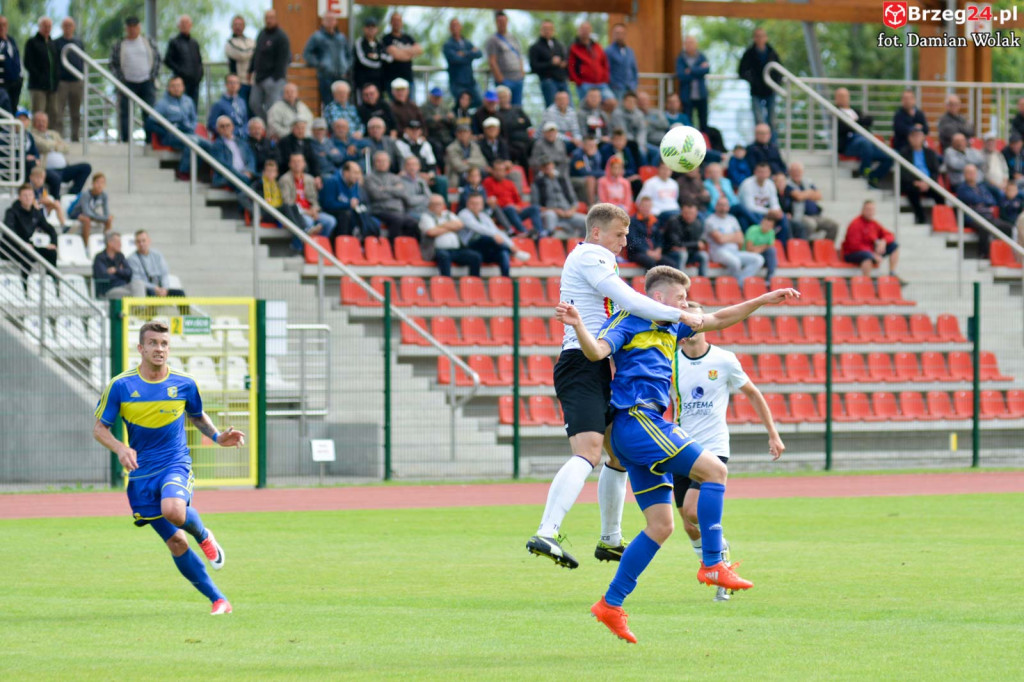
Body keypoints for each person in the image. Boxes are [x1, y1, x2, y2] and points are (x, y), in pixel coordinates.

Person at [559, 269, 797, 642]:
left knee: (661, 526)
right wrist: (578, 326)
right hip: (638, 419)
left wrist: (764, 299)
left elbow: (719, 319)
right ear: (660, 297)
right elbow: (598, 351)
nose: (686, 303)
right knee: (715, 471)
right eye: (681, 297)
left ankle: (610, 604)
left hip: (638, 429)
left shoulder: (673, 324)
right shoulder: (629, 319)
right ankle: (713, 562)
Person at [524, 206, 717, 569]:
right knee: (588, 452)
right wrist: (681, 314)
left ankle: (610, 539)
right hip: (580, 362)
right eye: (619, 234)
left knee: (617, 456)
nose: (625, 241)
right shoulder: (590, 255)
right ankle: (547, 532)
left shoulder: (599, 258)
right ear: (597, 232)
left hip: (595, 364)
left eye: (627, 235)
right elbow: (628, 300)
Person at [92, 320, 243, 615]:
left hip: (175, 462)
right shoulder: (121, 385)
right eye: (153, 343)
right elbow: (99, 429)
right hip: (141, 474)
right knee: (175, 541)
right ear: (141, 348)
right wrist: (120, 448)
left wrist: (217, 437)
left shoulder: (184, 383)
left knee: (174, 510)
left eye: (164, 344)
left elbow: (197, 415)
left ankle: (204, 536)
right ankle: (219, 600)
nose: (159, 349)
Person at [673, 300, 783, 602]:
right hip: (680, 446)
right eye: (685, 322)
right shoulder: (670, 361)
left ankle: (718, 564)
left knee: (694, 511)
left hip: (713, 446)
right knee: (688, 524)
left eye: (696, 321)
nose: (691, 327)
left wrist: (773, 434)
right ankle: (717, 558)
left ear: (705, 324)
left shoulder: (723, 360)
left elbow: (753, 394)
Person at [147, 76, 213, 179]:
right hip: (171, 136)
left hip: (189, 133)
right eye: (173, 86)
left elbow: (194, 120)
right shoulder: (162, 104)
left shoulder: (188, 101)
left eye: (178, 85)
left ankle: (203, 173)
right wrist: (166, 131)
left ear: (183, 87)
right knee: (193, 142)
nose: (176, 88)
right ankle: (183, 172)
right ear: (168, 88)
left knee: (209, 145)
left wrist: (190, 127)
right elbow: (150, 123)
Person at [110, 16, 160, 143]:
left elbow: (157, 58)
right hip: (127, 83)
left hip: (147, 82)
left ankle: (150, 141)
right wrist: (120, 79)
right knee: (125, 113)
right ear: (126, 29)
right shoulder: (120, 45)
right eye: (130, 27)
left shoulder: (148, 42)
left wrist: (152, 76)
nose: (132, 30)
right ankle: (126, 140)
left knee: (149, 113)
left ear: (139, 27)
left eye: (135, 27)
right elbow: (113, 64)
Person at [457, 192, 531, 276]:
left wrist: (511, 245)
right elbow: (479, 228)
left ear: (482, 205)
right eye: (472, 203)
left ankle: (506, 279)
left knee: (503, 253)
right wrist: (494, 236)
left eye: (477, 204)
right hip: (470, 246)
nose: (475, 206)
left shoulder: (483, 216)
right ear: (467, 204)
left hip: (485, 248)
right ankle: (513, 253)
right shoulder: (463, 214)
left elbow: (496, 231)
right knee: (487, 238)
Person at [834, 87, 892, 188]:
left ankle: (873, 177)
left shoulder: (855, 111)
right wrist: (859, 122)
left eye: (845, 96)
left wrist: (856, 122)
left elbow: (869, 120)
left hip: (865, 143)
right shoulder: (835, 112)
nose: (843, 98)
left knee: (889, 157)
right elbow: (843, 127)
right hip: (849, 144)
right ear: (836, 98)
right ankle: (864, 172)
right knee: (865, 142)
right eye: (840, 96)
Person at [955, 164, 1015, 258]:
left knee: (1007, 227)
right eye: (969, 173)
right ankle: (983, 255)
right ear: (964, 174)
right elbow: (973, 199)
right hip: (973, 218)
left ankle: (1004, 255)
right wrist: (983, 201)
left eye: (973, 172)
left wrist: (981, 201)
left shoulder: (981, 187)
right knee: (984, 227)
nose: (971, 175)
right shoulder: (961, 188)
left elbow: (992, 201)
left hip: (988, 216)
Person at [279, 152, 336, 250]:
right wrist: (307, 212)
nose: (297, 164)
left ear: (304, 164)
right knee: (308, 222)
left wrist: (314, 210)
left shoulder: (310, 179)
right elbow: (287, 202)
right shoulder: (284, 180)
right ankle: (302, 248)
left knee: (330, 221)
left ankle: (316, 246)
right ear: (289, 164)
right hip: (297, 213)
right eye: (294, 161)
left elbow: (314, 199)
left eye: (299, 161)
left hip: (311, 211)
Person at [29, 111, 92, 196]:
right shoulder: (32, 135)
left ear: (47, 122)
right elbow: (43, 145)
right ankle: (56, 200)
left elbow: (66, 148)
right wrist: (56, 144)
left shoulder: (53, 133)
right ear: (33, 123)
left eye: (43, 121)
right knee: (55, 178)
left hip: (64, 168)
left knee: (86, 167)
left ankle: (71, 195)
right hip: (46, 169)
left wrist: (51, 145)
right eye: (38, 121)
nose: (41, 123)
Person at [704, 195, 763, 286]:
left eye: (725, 205)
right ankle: (737, 286)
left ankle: (740, 282)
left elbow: (741, 238)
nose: (723, 207)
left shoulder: (732, 219)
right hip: (719, 252)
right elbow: (720, 239)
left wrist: (726, 237)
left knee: (758, 259)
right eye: (720, 205)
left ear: (728, 207)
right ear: (716, 206)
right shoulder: (710, 220)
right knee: (735, 262)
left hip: (735, 251)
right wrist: (734, 236)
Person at [4, 183, 58, 279]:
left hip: (28, 247)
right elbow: (9, 231)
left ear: (33, 197)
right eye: (25, 195)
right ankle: (25, 284)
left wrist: (53, 243)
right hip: (11, 248)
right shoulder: (11, 212)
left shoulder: (35, 213)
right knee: (28, 253)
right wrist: (22, 244)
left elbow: (50, 229)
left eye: (30, 195)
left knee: (51, 253)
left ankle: (52, 282)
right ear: (19, 197)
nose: (28, 198)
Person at [419, 193, 480, 277]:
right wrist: (450, 227)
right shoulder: (426, 217)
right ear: (429, 205)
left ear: (444, 205)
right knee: (444, 256)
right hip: (437, 250)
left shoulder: (448, 214)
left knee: (475, 257)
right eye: (434, 204)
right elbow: (431, 232)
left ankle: (474, 282)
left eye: (439, 204)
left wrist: (440, 226)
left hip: (456, 250)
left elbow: (460, 225)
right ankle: (447, 282)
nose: (437, 206)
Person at [365, 150, 420, 242]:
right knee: (397, 219)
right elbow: (376, 195)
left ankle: (408, 246)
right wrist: (395, 190)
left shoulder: (395, 177)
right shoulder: (369, 178)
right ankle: (393, 245)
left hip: (398, 211)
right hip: (380, 210)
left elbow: (403, 193)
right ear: (374, 163)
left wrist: (385, 189)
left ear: (389, 163)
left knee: (413, 222)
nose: (382, 163)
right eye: (379, 161)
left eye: (385, 161)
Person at [483, 158, 544, 237]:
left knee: (534, 208)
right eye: (497, 170)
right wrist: (510, 205)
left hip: (514, 212)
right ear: (493, 171)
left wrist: (518, 206)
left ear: (505, 172)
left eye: (501, 170)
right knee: (510, 208)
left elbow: (517, 200)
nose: (499, 173)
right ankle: (524, 231)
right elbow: (491, 201)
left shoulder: (509, 183)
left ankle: (540, 232)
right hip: (502, 213)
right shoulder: (488, 182)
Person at [319, 160, 380, 239]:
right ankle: (342, 241)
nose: (357, 176)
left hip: (348, 211)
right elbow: (327, 204)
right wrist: (348, 204)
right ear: (346, 172)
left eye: (359, 173)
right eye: (355, 173)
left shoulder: (355, 183)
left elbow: (356, 201)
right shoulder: (332, 181)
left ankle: (358, 240)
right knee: (345, 214)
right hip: (331, 212)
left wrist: (353, 204)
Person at [248, 10, 290, 121]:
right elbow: (256, 53)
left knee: (273, 107)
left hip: (274, 79)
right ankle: (266, 124)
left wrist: (276, 78)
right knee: (254, 103)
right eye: (267, 18)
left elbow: (284, 59)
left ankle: (272, 127)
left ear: (276, 19)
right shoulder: (262, 34)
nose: (269, 20)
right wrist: (250, 70)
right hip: (259, 78)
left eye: (271, 18)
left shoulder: (281, 37)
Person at [738, 28, 782, 134]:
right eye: (758, 36)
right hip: (756, 91)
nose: (760, 39)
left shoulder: (772, 53)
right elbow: (742, 71)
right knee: (759, 121)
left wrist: (776, 83)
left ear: (766, 38)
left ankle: (772, 143)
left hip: (770, 90)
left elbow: (779, 70)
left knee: (772, 120)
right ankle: (760, 142)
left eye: (762, 36)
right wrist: (752, 81)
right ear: (754, 38)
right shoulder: (749, 53)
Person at [841, 200, 901, 276]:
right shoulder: (855, 224)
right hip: (851, 253)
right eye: (868, 209)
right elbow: (854, 245)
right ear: (862, 210)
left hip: (870, 251)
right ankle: (867, 281)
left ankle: (892, 272)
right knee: (867, 257)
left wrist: (884, 241)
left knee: (894, 245)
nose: (870, 212)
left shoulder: (874, 223)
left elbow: (890, 235)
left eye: (872, 210)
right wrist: (872, 254)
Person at [302, 12, 350, 109]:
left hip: (341, 75)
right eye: (327, 20)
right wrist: (319, 64)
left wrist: (347, 66)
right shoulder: (317, 37)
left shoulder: (341, 37)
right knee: (328, 104)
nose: (330, 22)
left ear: (336, 22)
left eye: (332, 20)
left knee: (343, 104)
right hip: (326, 76)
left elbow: (349, 54)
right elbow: (307, 54)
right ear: (322, 22)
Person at [898, 125, 943, 224]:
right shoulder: (904, 153)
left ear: (923, 137)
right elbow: (903, 172)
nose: (916, 138)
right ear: (909, 138)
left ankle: (942, 220)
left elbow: (935, 171)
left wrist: (928, 183)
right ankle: (921, 218)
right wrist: (916, 182)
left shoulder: (930, 153)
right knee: (912, 192)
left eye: (918, 135)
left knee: (940, 195)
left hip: (928, 182)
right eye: (913, 136)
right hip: (912, 183)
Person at [532, 159, 587, 238]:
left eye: (549, 164)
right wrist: (555, 210)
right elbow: (536, 206)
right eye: (544, 166)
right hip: (551, 212)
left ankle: (582, 243)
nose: (547, 167)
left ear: (553, 165)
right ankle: (550, 241)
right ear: (541, 168)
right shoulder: (537, 183)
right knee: (550, 215)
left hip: (567, 212)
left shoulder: (562, 179)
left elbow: (574, 200)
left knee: (586, 221)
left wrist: (571, 211)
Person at [786, 161, 838, 241]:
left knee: (833, 225)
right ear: (790, 172)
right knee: (811, 224)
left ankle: (825, 246)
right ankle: (808, 245)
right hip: (800, 216)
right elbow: (799, 197)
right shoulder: (788, 184)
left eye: (799, 171)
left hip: (816, 215)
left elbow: (819, 196)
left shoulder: (807, 182)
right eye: (794, 171)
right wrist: (810, 192)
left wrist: (804, 194)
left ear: (802, 172)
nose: (797, 173)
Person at [738, 162, 788, 243]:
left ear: (769, 173)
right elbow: (749, 207)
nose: (763, 174)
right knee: (745, 219)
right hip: (749, 213)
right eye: (760, 172)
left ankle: (780, 244)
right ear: (755, 172)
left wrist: (777, 211)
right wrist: (769, 211)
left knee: (783, 217)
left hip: (765, 212)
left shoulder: (770, 184)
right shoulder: (747, 184)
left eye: (765, 172)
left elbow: (774, 202)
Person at [127, 230, 186, 297]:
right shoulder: (132, 259)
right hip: (146, 290)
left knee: (180, 293)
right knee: (151, 292)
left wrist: (164, 289)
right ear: (135, 243)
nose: (141, 244)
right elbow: (136, 280)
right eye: (138, 242)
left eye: (143, 241)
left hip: (161, 289)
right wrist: (154, 288)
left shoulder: (157, 255)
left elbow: (164, 274)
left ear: (149, 241)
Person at [54, 18, 84, 142]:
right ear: (62, 27)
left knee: (76, 113)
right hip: (62, 82)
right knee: (58, 113)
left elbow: (83, 60)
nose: (68, 27)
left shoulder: (79, 42)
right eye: (65, 25)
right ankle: (58, 139)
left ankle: (75, 138)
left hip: (77, 81)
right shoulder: (57, 42)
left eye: (70, 25)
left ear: (74, 27)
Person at [395, 120, 445, 196]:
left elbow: (432, 164)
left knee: (442, 181)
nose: (415, 132)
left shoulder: (425, 144)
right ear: (406, 130)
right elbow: (401, 165)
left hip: (426, 175)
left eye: (417, 129)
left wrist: (430, 175)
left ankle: (441, 202)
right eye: (412, 129)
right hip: (408, 174)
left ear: (420, 131)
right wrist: (418, 175)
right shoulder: (400, 144)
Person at [485, 11, 525, 106]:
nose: (502, 24)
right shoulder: (493, 40)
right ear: (496, 23)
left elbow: (519, 56)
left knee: (517, 107)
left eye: (504, 21)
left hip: (518, 78)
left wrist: (522, 72)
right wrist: (500, 78)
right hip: (505, 79)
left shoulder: (513, 38)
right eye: (500, 22)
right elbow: (492, 60)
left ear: (507, 22)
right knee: (504, 106)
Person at [380, 13, 423, 100]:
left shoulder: (408, 38)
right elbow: (396, 55)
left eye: (398, 20)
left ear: (402, 23)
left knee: (410, 104)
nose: (397, 23)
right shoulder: (386, 38)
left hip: (408, 78)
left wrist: (400, 51)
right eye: (394, 20)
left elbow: (419, 50)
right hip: (391, 78)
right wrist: (409, 53)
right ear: (391, 23)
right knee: (395, 105)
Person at [25, 17, 59, 123]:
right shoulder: (32, 42)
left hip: (52, 86)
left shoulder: (52, 43)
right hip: (38, 86)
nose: (47, 29)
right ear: (40, 27)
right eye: (45, 26)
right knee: (39, 115)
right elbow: (28, 63)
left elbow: (57, 63)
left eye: (49, 26)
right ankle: (37, 134)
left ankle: (52, 133)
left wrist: (56, 79)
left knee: (53, 114)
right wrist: (39, 77)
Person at [92, 231, 145, 298]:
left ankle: (140, 304)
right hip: (108, 290)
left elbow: (129, 273)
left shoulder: (120, 256)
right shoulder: (100, 258)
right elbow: (104, 277)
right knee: (134, 294)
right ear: (110, 243)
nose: (120, 244)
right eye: (118, 242)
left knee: (139, 283)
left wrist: (116, 270)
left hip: (123, 286)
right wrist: (122, 273)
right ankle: (140, 305)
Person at [529, 20, 569, 108]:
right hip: (548, 80)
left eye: (550, 29)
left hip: (562, 80)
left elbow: (565, 59)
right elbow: (534, 66)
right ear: (541, 30)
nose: (548, 31)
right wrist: (550, 63)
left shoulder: (559, 45)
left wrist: (563, 63)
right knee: (552, 107)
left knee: (568, 107)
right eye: (545, 29)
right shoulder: (535, 47)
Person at [703, 161, 756, 228]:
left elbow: (732, 197)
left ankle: (747, 233)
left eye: (717, 172)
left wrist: (728, 206)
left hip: (730, 207)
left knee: (742, 218)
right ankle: (757, 223)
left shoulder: (726, 182)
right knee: (739, 207)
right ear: (709, 174)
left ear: (721, 173)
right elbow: (712, 203)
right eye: (713, 172)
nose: (715, 174)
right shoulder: (705, 185)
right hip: (717, 209)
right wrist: (724, 206)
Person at [164, 16, 203, 105]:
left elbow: (199, 61)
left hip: (195, 82)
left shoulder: (194, 43)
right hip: (181, 82)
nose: (185, 26)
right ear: (178, 26)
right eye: (183, 24)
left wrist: (200, 74)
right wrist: (180, 71)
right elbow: (168, 60)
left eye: (187, 23)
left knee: (193, 106)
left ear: (191, 25)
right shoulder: (174, 42)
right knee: (181, 105)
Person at [568, 21, 611, 102]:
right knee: (587, 105)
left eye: (587, 29)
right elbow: (571, 66)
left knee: (611, 102)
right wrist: (578, 81)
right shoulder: (574, 48)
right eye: (583, 29)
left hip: (600, 83)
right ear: (579, 31)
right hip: (585, 84)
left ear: (590, 31)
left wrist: (605, 78)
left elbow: (604, 63)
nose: (585, 31)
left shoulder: (597, 46)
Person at [661, 201, 708, 275]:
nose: (689, 215)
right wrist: (695, 244)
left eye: (691, 213)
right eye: (686, 213)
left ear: (696, 213)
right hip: (670, 253)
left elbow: (702, 242)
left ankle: (703, 279)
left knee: (704, 255)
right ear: (681, 212)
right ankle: (681, 279)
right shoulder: (674, 222)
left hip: (690, 252)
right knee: (683, 254)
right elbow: (676, 244)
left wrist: (693, 245)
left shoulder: (698, 224)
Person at [443, 18, 482, 107]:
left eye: (457, 25)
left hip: (470, 81)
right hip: (457, 82)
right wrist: (471, 55)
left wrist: (464, 53)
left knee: (479, 101)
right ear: (449, 28)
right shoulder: (448, 45)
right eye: (453, 26)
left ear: (461, 27)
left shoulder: (466, 42)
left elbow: (479, 53)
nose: (455, 28)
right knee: (461, 105)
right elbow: (456, 59)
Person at [210, 116, 256, 189]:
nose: (225, 128)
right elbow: (224, 166)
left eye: (227, 125)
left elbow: (251, 158)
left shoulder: (242, 142)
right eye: (222, 126)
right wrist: (242, 176)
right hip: (227, 178)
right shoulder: (216, 145)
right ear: (218, 129)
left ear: (232, 127)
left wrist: (249, 171)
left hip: (245, 176)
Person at [676, 35, 710, 131]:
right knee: (688, 122)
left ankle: (704, 139)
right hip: (687, 96)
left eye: (692, 43)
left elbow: (706, 70)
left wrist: (690, 70)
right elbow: (681, 75)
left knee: (703, 122)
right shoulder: (681, 58)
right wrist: (698, 70)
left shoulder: (701, 57)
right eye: (688, 43)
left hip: (701, 95)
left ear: (696, 44)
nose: (690, 45)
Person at [69, 172, 113, 243]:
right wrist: (101, 218)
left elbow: (106, 213)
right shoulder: (85, 194)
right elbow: (86, 212)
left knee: (109, 219)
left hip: (91, 213)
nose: (100, 185)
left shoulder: (104, 196)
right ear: (93, 183)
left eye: (102, 183)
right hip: (76, 212)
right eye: (97, 182)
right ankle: (86, 245)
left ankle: (107, 243)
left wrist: (106, 218)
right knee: (87, 219)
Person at [496, 85, 532, 168]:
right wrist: (518, 122)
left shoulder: (517, 109)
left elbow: (527, 122)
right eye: (501, 97)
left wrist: (512, 124)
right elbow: (506, 128)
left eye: (505, 96)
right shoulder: (498, 114)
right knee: (520, 149)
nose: (504, 99)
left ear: (510, 97)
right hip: (512, 143)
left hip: (527, 140)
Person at [612, 92, 652, 165]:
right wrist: (636, 143)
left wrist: (640, 144)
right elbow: (622, 132)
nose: (631, 103)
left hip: (638, 142)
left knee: (656, 152)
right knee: (639, 151)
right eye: (629, 101)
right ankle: (640, 170)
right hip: (624, 141)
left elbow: (642, 131)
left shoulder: (639, 114)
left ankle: (648, 170)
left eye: (633, 102)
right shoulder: (617, 113)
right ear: (623, 102)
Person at [207, 74, 249, 140]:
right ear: (226, 85)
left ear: (239, 86)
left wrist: (245, 132)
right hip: (228, 139)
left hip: (244, 138)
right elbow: (211, 124)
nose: (233, 85)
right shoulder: (219, 104)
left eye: (236, 83)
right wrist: (226, 132)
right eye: (231, 82)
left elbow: (245, 121)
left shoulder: (242, 102)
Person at [224, 15, 255, 104]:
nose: (238, 27)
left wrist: (250, 52)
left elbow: (256, 53)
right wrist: (250, 52)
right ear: (232, 27)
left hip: (252, 82)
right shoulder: (229, 43)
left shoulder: (250, 41)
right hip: (238, 83)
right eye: (235, 25)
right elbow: (242, 55)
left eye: (240, 24)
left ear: (244, 26)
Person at [445, 124, 488, 188]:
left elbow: (482, 162)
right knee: (468, 175)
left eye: (465, 132)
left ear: (470, 133)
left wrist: (468, 161)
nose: (463, 134)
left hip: (474, 172)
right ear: (456, 134)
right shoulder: (451, 148)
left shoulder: (475, 146)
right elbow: (458, 166)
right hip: (457, 175)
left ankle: (479, 190)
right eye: (460, 132)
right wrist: (472, 169)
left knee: (483, 173)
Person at [353, 17, 385, 97]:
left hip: (378, 81)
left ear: (377, 29)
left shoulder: (380, 43)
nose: (371, 29)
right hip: (363, 81)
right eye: (368, 27)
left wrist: (375, 57)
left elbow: (388, 57)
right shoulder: (359, 42)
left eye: (373, 27)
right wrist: (378, 60)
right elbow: (362, 60)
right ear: (364, 29)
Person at [605, 23, 637, 102]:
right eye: (617, 33)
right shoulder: (608, 51)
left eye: (622, 33)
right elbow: (606, 70)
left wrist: (634, 84)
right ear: (613, 34)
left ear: (625, 35)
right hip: (616, 89)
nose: (619, 35)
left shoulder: (630, 51)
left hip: (629, 89)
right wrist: (613, 84)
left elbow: (634, 69)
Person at [569, 135, 604, 207]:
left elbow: (598, 169)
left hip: (590, 177)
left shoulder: (596, 154)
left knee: (602, 180)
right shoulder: (577, 155)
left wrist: (593, 157)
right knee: (590, 179)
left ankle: (602, 203)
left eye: (594, 145)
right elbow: (582, 172)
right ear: (583, 145)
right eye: (590, 145)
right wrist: (601, 173)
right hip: (575, 178)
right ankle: (591, 205)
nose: (592, 147)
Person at [891, 88, 929, 152]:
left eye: (910, 98)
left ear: (914, 100)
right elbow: (900, 129)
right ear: (902, 100)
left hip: (919, 148)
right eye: (905, 98)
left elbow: (926, 129)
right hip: (902, 148)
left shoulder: (919, 114)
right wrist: (915, 128)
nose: (907, 101)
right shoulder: (898, 115)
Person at [421, 86, 455, 156]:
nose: (437, 99)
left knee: (452, 146)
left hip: (445, 134)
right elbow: (424, 121)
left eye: (439, 97)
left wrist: (450, 118)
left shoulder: (445, 107)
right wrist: (434, 119)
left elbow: (452, 120)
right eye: (435, 97)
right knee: (438, 147)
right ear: (431, 96)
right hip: (432, 134)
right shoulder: (424, 107)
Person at [744, 215, 779, 281]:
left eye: (769, 226)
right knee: (770, 254)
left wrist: (758, 248)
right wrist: (764, 246)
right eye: (765, 224)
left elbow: (770, 247)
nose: (766, 227)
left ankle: (770, 278)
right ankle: (770, 278)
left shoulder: (771, 232)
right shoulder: (753, 230)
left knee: (772, 251)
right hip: (749, 255)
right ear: (761, 222)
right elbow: (749, 249)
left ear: (772, 227)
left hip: (762, 255)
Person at [0, 16, 23, 109]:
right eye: (0, 25)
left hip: (15, 82)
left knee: (13, 109)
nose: (2, 27)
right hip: (3, 83)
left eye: (4, 25)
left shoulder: (11, 40)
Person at [398, 155, 431, 221]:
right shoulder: (400, 181)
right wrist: (423, 197)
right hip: (409, 212)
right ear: (404, 167)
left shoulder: (421, 181)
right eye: (409, 165)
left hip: (425, 211)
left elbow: (429, 198)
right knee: (427, 219)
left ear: (419, 167)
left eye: (414, 164)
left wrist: (422, 198)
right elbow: (409, 201)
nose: (412, 167)